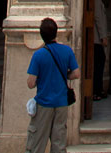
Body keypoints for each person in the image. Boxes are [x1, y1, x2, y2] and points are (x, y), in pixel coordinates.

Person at [25, 16, 79, 153]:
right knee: (59, 142)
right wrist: (65, 76)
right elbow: (76, 74)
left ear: (41, 35)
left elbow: (31, 83)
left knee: (37, 142)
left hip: (44, 103)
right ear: (56, 32)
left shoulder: (38, 55)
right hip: (61, 103)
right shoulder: (67, 51)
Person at [93, 0, 110, 100]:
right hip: (96, 39)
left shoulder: (96, 1)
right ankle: (97, 91)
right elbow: (99, 19)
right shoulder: (96, 1)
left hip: (96, 38)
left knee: (98, 63)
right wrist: (103, 36)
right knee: (99, 64)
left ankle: (97, 90)